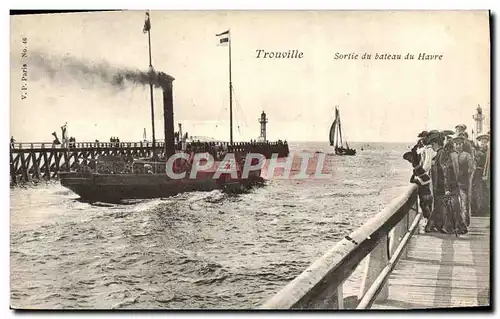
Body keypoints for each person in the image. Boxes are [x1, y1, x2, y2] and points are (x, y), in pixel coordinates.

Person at [426, 131, 467, 235]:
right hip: (439, 187)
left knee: (445, 207)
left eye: (432, 144)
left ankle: (444, 227)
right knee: (443, 207)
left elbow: (446, 171)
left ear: (436, 143)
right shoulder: (440, 153)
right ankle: (442, 226)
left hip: (442, 187)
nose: (432, 146)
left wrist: (447, 188)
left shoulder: (442, 153)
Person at [452, 134, 474, 226]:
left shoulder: (467, 155)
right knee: (455, 204)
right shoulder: (451, 155)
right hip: (453, 184)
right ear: (453, 145)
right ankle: (457, 223)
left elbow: (471, 168)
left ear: (462, 145)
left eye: (460, 144)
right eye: (456, 144)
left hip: (463, 183)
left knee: (464, 203)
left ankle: (465, 222)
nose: (458, 146)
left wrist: (465, 175)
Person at [470, 134, 490, 216]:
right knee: (475, 191)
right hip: (476, 173)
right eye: (482, 141)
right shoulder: (476, 151)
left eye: (485, 142)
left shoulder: (488, 152)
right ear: (479, 142)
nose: (483, 143)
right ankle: (475, 209)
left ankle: (483, 209)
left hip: (485, 173)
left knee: (484, 191)